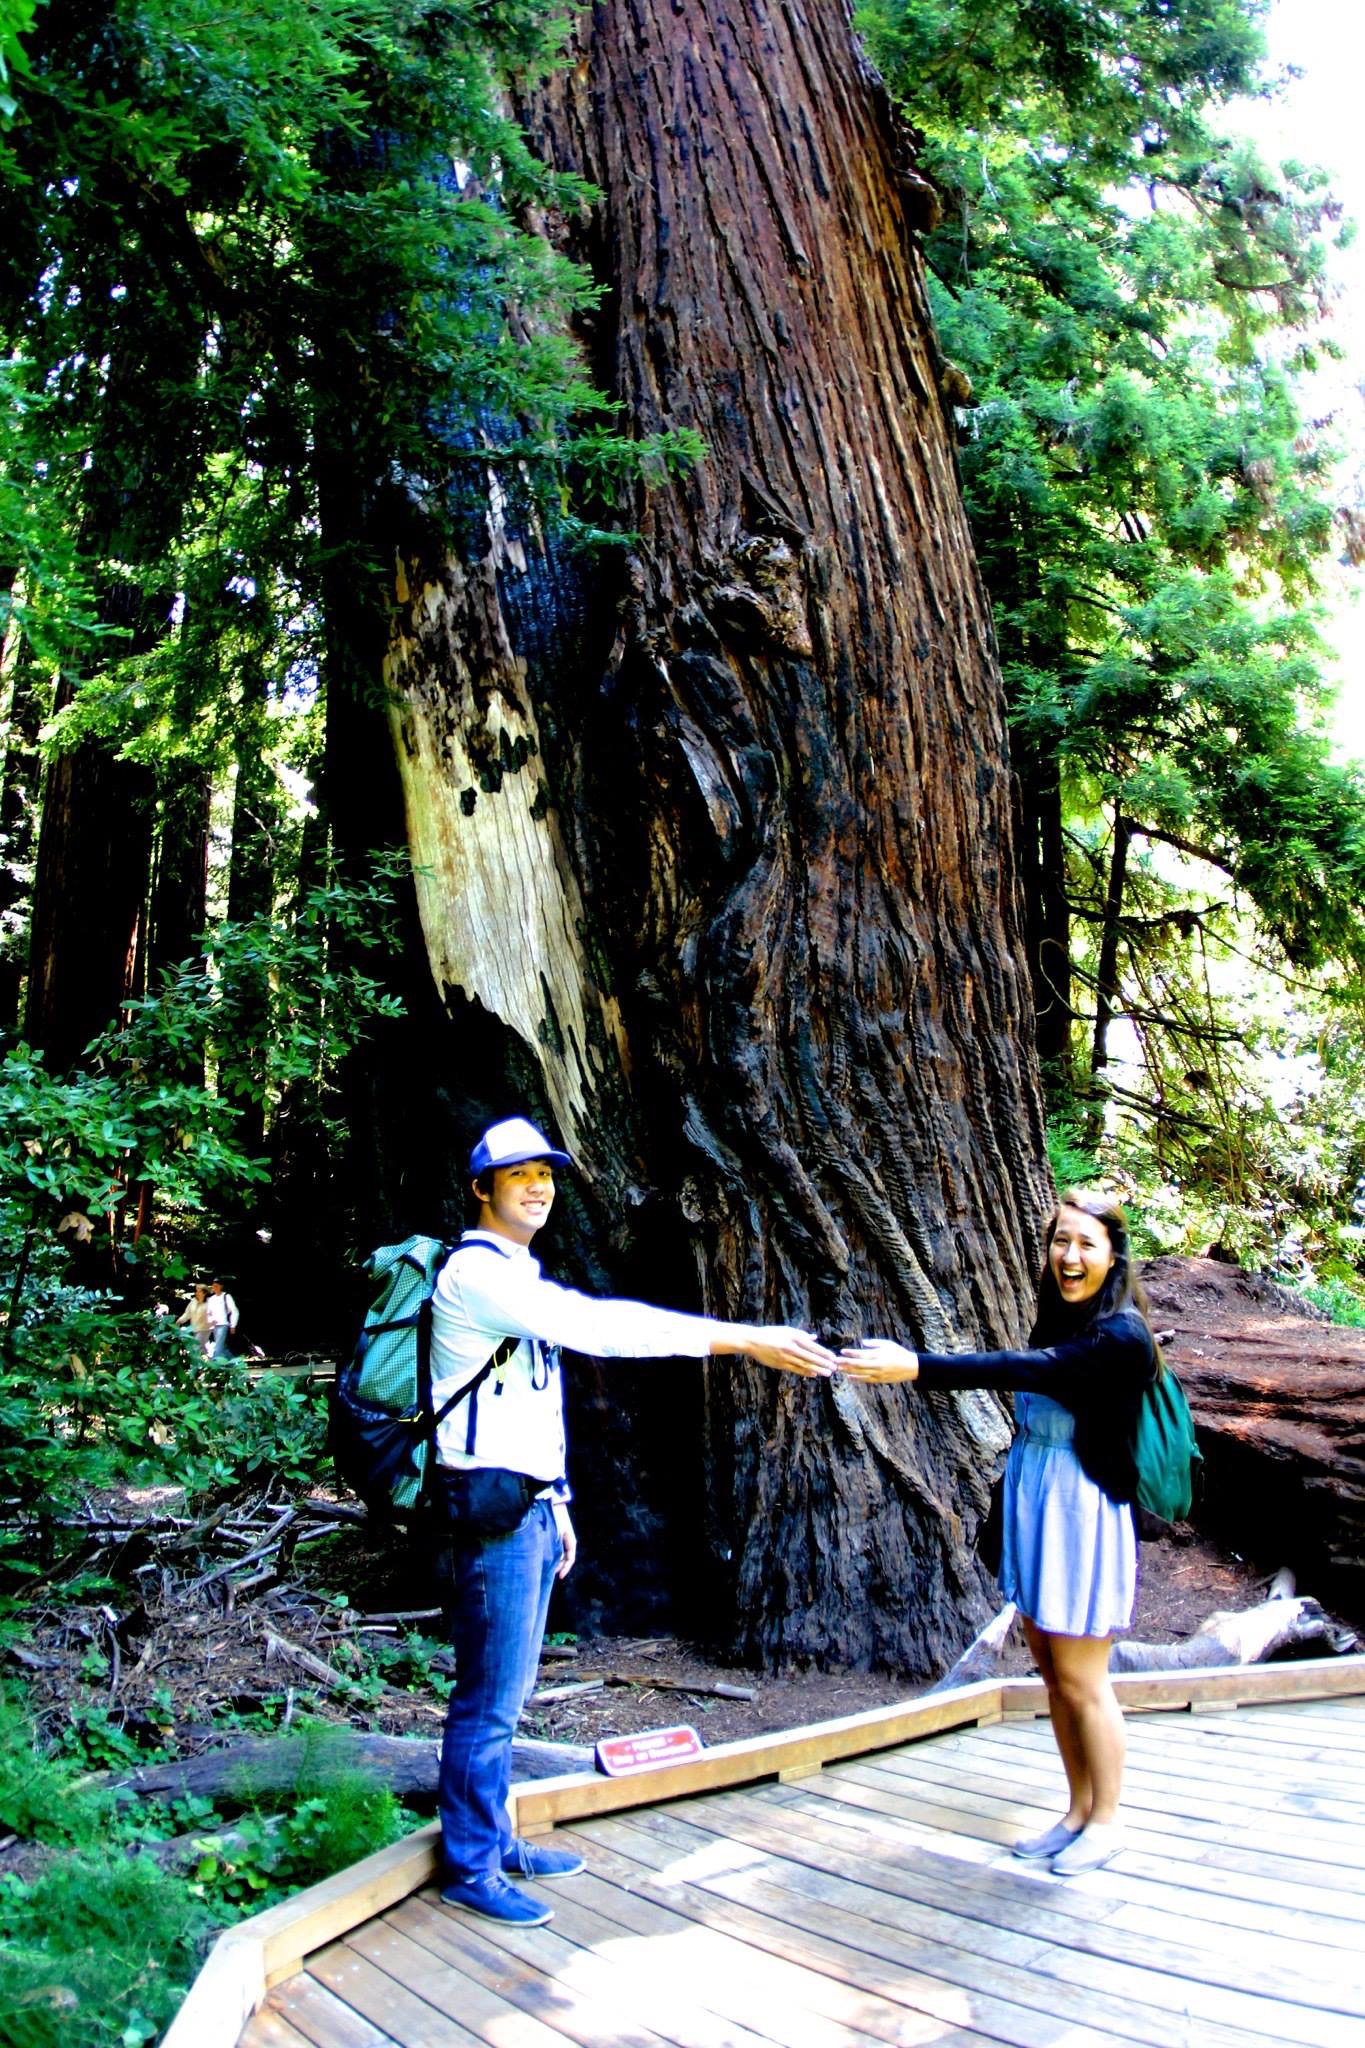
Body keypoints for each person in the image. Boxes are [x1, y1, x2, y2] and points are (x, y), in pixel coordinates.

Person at [431, 1114, 838, 1929]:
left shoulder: (516, 1272)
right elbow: (601, 1331)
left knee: (509, 1692)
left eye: (545, 1174)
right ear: (482, 1189)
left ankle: (497, 1838)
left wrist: (560, 1501)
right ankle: (470, 1866)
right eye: (518, 1177)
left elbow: (530, 1404)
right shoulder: (478, 1276)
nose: (539, 1188)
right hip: (490, 1516)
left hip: (528, 1506)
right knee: (488, 1699)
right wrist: (742, 1340)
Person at [841, 1188, 1158, 1877]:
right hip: (1040, 1494)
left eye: (1085, 1245)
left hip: (1080, 1505)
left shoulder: (1120, 1336)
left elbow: (1025, 1370)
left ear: (1113, 1255)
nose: (1068, 1257)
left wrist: (917, 1367)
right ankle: (1075, 1810)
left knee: (1082, 1678)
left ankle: (1107, 1821)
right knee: (1050, 1668)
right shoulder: (1065, 1317)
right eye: (1059, 1241)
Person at [204, 1279, 239, 1360]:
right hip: (214, 1326)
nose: (214, 1288)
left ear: (221, 1286)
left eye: (216, 1286)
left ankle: (213, 1365)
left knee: (218, 1348)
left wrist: (233, 1325)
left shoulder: (226, 1296)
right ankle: (235, 1364)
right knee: (222, 1348)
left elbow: (234, 1311)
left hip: (223, 1325)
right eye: (213, 1286)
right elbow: (208, 1313)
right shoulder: (211, 1299)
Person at [176, 1284, 211, 1357]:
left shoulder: (210, 1303)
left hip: (205, 1329)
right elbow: (187, 1314)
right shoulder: (193, 1302)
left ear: (204, 1293)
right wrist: (179, 1321)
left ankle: (194, 1367)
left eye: (199, 1291)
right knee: (202, 1350)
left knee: (195, 1348)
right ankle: (210, 1364)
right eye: (196, 1291)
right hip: (195, 1329)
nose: (196, 1293)